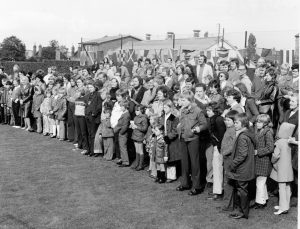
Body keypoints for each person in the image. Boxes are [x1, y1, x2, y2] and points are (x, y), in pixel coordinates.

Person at [176, 90, 208, 195]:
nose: (181, 101)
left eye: (183, 100)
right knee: (184, 163)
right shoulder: (182, 110)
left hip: (193, 139)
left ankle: (197, 186)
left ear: (190, 100)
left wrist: (197, 129)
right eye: (181, 99)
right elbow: (182, 122)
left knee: (195, 163)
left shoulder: (198, 111)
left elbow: (205, 124)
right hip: (183, 138)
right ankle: (185, 183)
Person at [227, 113, 255, 219]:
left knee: (242, 191)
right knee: (242, 189)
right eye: (234, 122)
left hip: (243, 168)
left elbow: (242, 155)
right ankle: (240, 210)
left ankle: (243, 212)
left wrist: (232, 164)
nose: (234, 124)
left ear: (243, 123)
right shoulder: (248, 133)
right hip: (246, 167)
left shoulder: (243, 136)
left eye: (236, 122)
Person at [270, 122, 296, 215]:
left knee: (281, 187)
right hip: (288, 167)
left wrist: (272, 161)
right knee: (288, 187)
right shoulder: (290, 142)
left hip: (281, 167)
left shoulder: (279, 142)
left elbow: (276, 155)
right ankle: (285, 205)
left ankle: (283, 207)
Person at [251, 114, 274, 209]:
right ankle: (263, 198)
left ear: (265, 123)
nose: (257, 123)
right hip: (260, 160)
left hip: (264, 160)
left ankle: (260, 203)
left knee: (260, 182)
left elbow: (270, 148)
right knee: (261, 181)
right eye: (257, 122)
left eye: (259, 122)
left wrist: (258, 151)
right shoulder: (260, 131)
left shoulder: (267, 132)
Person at [206, 102, 226, 200]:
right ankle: (217, 190)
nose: (207, 112)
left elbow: (221, 136)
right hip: (216, 147)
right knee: (216, 169)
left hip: (219, 148)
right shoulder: (213, 119)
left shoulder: (218, 120)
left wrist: (218, 148)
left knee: (218, 169)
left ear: (214, 110)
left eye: (209, 110)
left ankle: (219, 192)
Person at [221, 110, 238, 211]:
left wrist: (224, 152)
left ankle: (228, 205)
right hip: (227, 157)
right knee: (228, 181)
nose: (226, 122)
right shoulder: (229, 129)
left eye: (228, 120)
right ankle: (230, 204)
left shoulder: (232, 130)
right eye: (225, 120)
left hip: (229, 158)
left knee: (228, 182)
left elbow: (233, 145)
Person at [161, 99, 180, 182]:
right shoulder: (163, 116)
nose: (164, 108)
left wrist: (168, 137)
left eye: (165, 107)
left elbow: (175, 130)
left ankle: (172, 176)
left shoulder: (173, 117)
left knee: (171, 158)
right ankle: (165, 174)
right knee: (165, 157)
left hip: (171, 141)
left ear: (170, 107)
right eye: (163, 107)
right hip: (164, 138)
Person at [84, 80, 102, 157]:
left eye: (91, 87)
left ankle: (94, 151)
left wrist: (94, 113)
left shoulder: (98, 95)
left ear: (95, 87)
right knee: (89, 133)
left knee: (93, 134)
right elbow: (87, 105)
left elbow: (99, 106)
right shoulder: (88, 95)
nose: (90, 88)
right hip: (88, 116)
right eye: (89, 87)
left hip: (94, 117)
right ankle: (90, 150)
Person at [130, 105, 148, 171]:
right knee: (137, 150)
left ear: (141, 110)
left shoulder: (144, 118)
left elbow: (144, 128)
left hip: (140, 136)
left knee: (140, 150)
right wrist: (132, 126)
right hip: (135, 135)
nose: (136, 111)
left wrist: (136, 127)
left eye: (137, 110)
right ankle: (137, 163)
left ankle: (140, 164)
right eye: (135, 110)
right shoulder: (135, 117)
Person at [113, 100, 131, 167]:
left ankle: (126, 162)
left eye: (121, 106)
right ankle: (123, 160)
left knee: (123, 147)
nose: (120, 108)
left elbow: (125, 126)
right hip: (121, 133)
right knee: (121, 147)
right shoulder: (124, 114)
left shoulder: (126, 115)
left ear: (125, 107)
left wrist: (121, 132)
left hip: (123, 133)